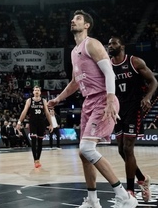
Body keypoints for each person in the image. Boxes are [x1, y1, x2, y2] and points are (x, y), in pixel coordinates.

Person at [48, 10, 138, 208]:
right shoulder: (74, 51)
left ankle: (124, 196)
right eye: (72, 18)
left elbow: (109, 73)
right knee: (84, 154)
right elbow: (74, 83)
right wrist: (57, 99)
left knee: (87, 148)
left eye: (78, 18)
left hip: (103, 99)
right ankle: (92, 200)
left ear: (87, 25)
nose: (73, 20)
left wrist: (109, 100)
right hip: (89, 102)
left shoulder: (93, 44)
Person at [109, 36, 157, 202]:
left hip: (134, 108)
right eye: (108, 43)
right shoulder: (107, 65)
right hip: (117, 110)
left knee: (128, 148)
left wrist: (148, 97)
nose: (110, 46)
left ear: (122, 46)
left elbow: (153, 81)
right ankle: (143, 179)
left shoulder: (135, 62)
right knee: (121, 150)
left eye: (113, 43)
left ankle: (130, 190)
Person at [17, 85, 53, 168]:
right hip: (33, 123)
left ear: (40, 92)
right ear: (33, 92)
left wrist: (51, 124)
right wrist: (19, 122)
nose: (36, 91)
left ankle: (38, 159)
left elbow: (47, 113)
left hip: (41, 123)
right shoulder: (29, 101)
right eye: (35, 90)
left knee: (40, 142)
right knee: (33, 141)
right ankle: (35, 160)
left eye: (38, 90)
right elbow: (24, 111)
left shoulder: (43, 101)